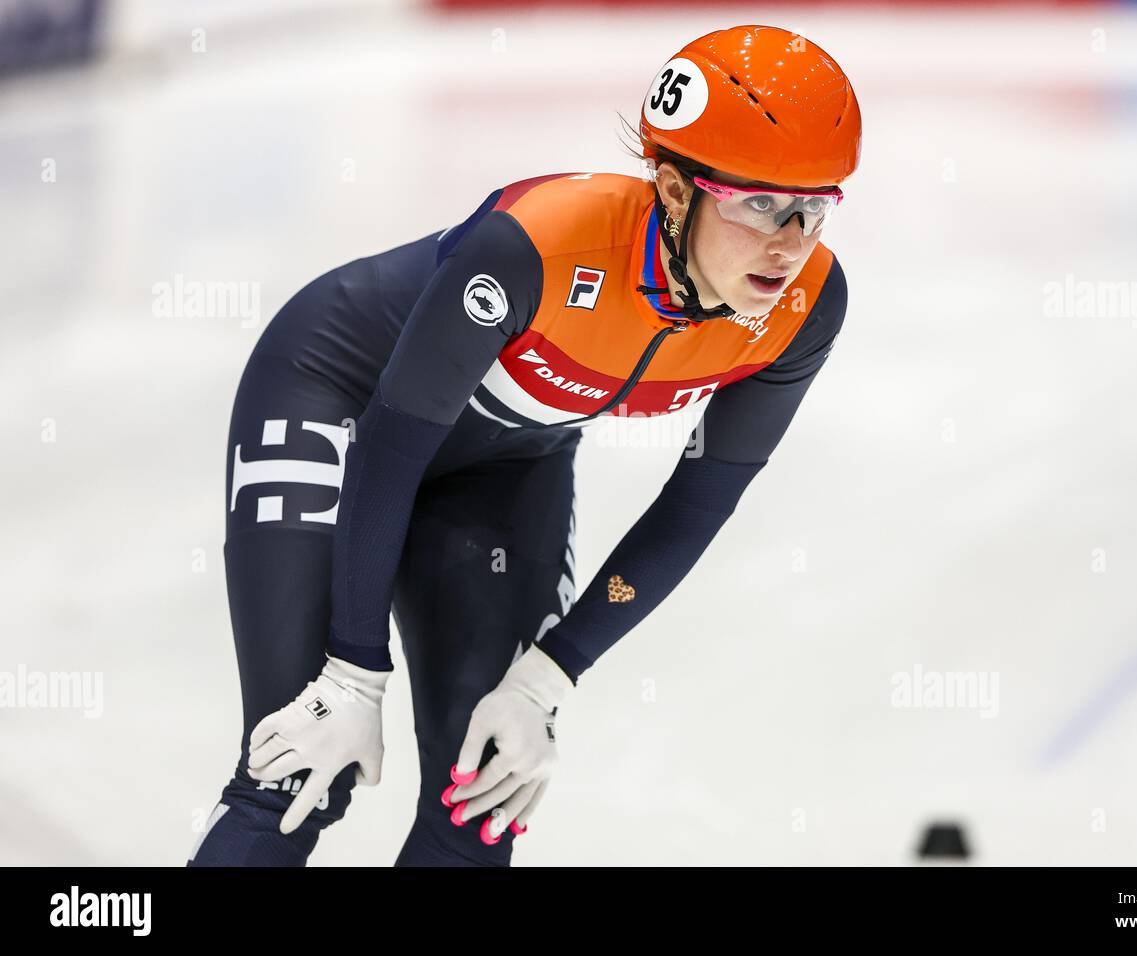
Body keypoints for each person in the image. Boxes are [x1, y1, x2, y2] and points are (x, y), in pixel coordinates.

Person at [189, 23, 861, 867]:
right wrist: (353, 674)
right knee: (294, 775)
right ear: (675, 188)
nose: (791, 243)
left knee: (481, 800)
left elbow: (701, 500)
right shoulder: (538, 245)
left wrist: (547, 678)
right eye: (760, 202)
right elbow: (389, 452)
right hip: (341, 401)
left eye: (815, 207)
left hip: (506, 463)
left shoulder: (805, 310)